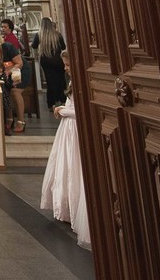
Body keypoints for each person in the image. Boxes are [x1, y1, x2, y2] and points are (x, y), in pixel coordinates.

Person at [41, 51, 89, 247]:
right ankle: (66, 206)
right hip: (68, 130)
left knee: (74, 167)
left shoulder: (82, 83)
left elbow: (83, 109)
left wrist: (63, 110)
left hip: (74, 129)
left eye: (68, 65)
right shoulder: (72, 81)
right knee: (65, 167)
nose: (65, 68)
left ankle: (73, 207)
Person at [36, 16, 68, 108]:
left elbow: (34, 45)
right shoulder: (57, 34)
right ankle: (62, 100)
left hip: (45, 61)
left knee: (50, 81)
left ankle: (51, 103)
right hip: (57, 60)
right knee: (60, 80)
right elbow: (63, 47)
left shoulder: (39, 35)